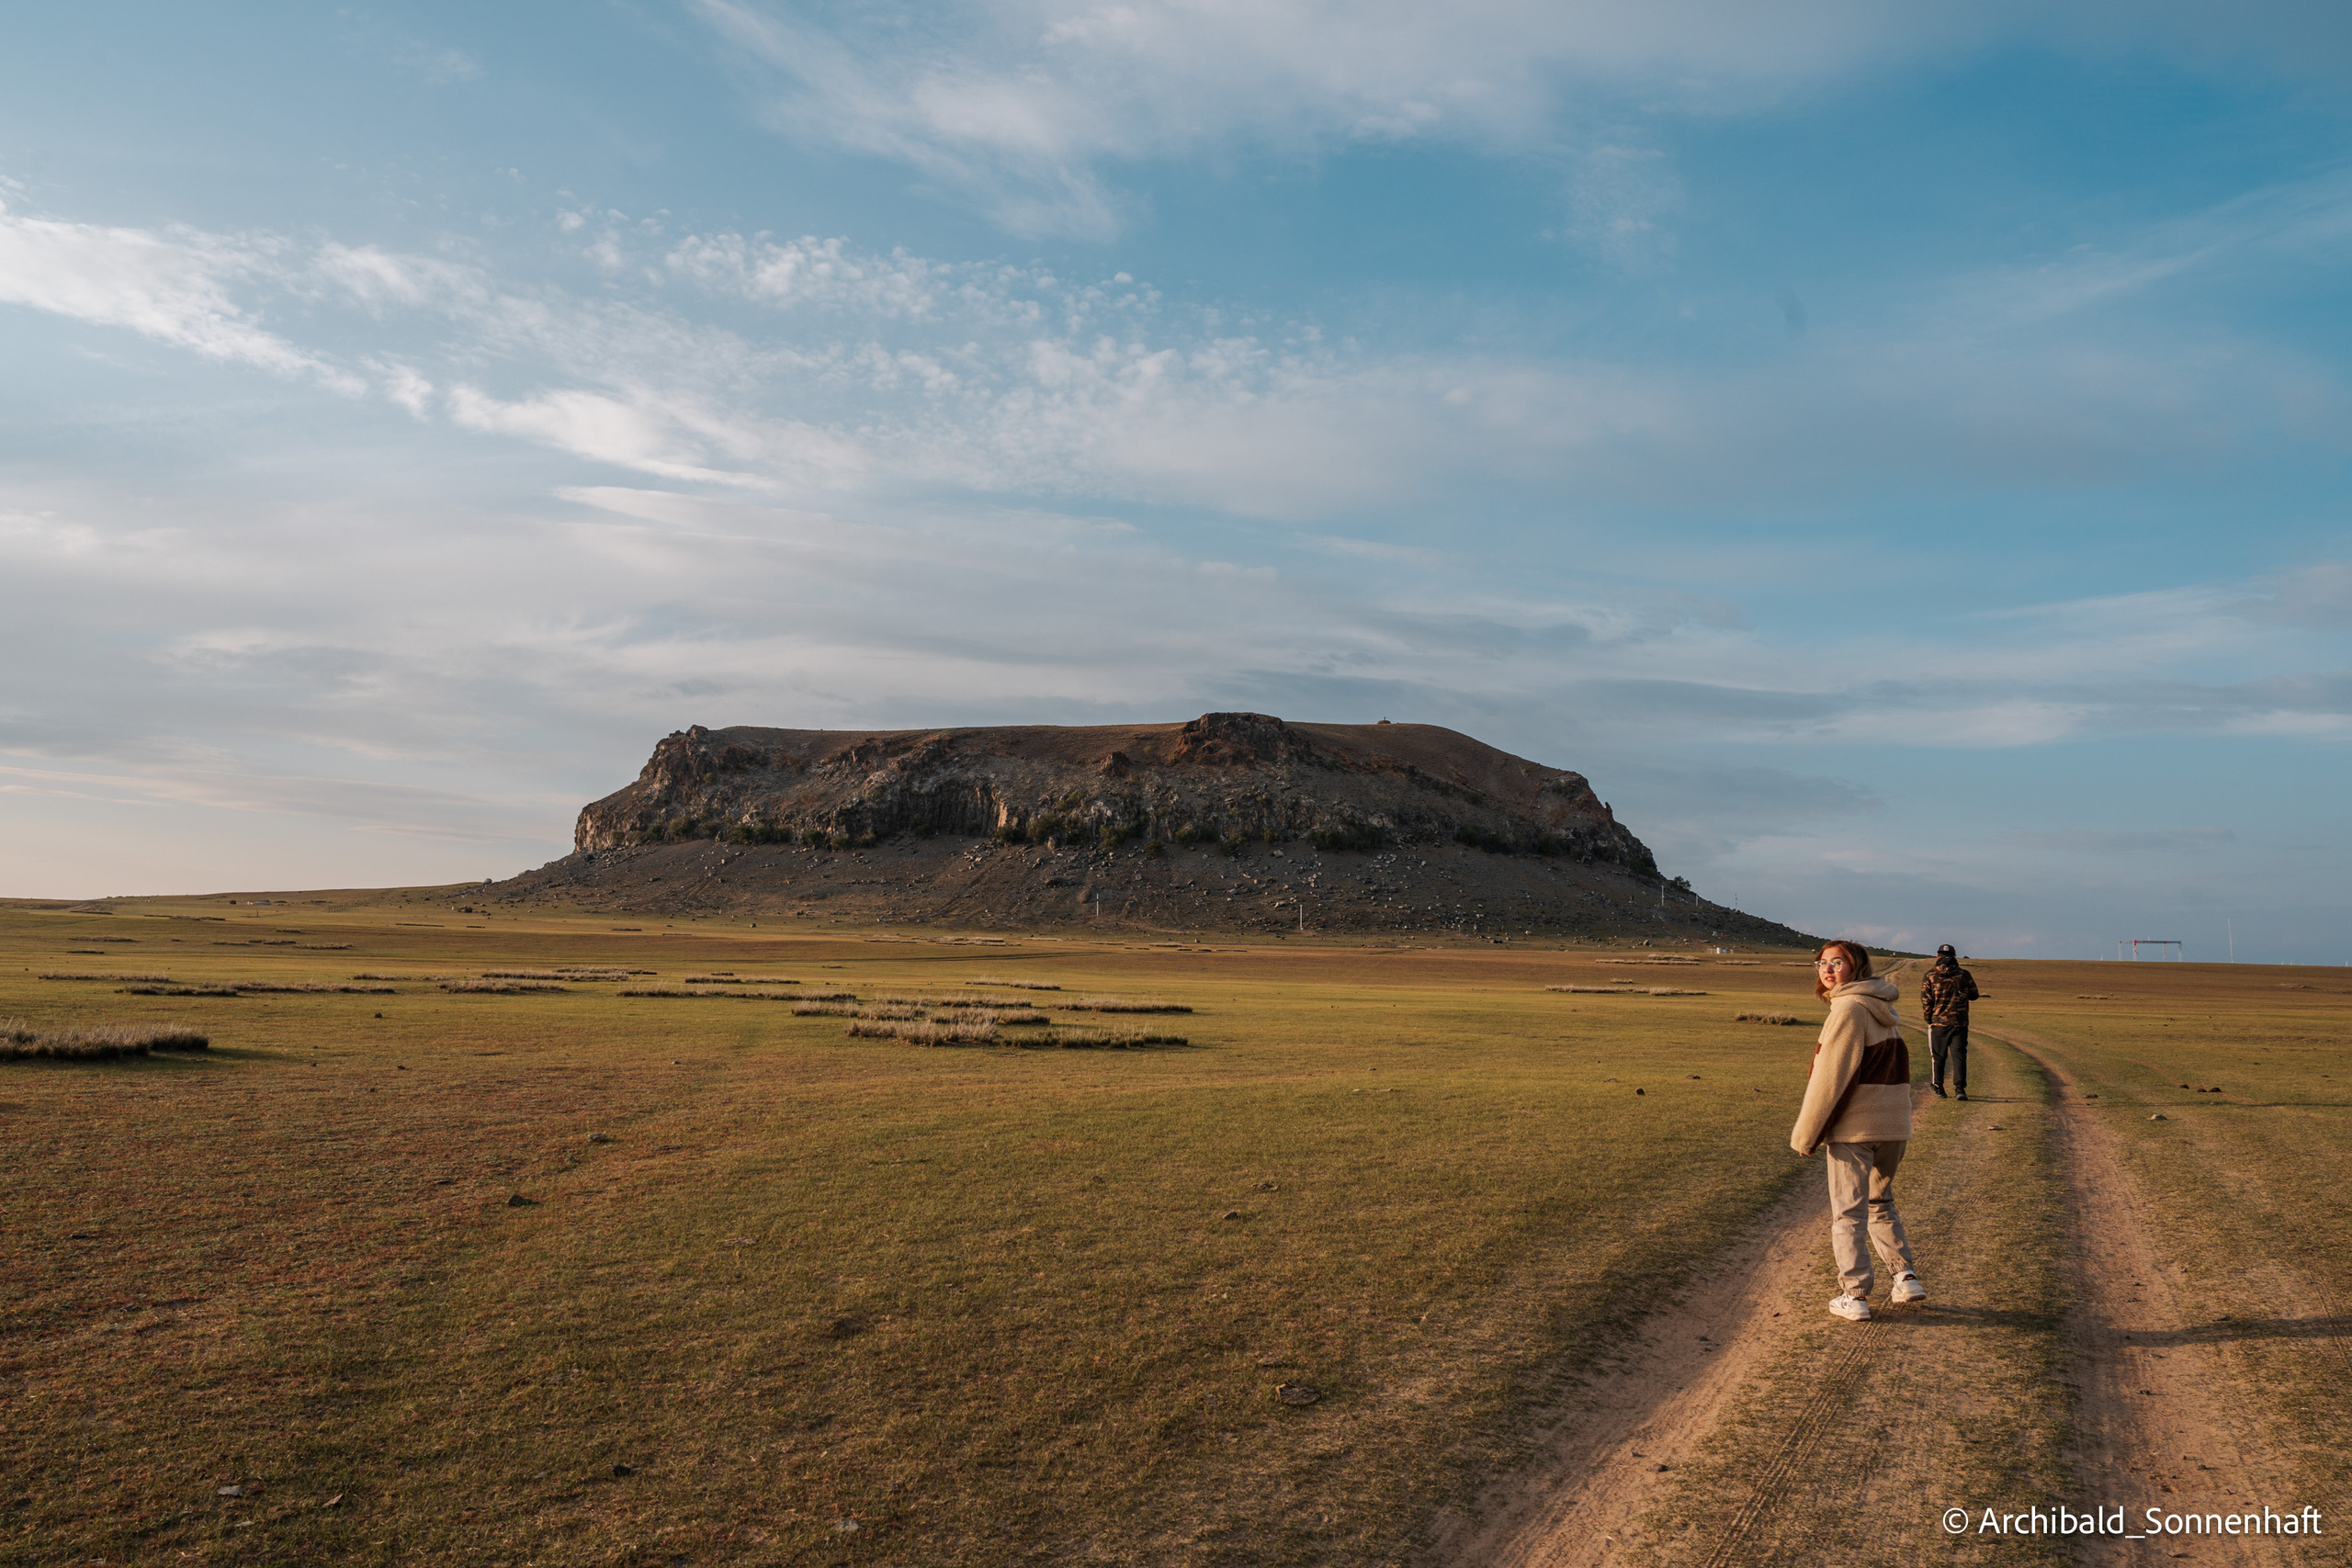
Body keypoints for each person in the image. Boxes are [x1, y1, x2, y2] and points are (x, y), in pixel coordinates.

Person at [1790, 940, 1923, 1321]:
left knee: (1847, 1213)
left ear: (1857, 968)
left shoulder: (1848, 1009)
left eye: (1838, 963)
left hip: (1856, 1130)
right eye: (1822, 963)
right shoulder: (1883, 1008)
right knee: (1880, 1203)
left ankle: (1855, 1295)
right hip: (1893, 1126)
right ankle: (1906, 1277)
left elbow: (1830, 1080)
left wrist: (1807, 1135)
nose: (1827, 970)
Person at [1918, 942, 1980, 1100]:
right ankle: (1960, 1089)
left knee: (1938, 1057)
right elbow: (1974, 995)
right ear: (1954, 956)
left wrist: (1929, 1019)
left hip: (1938, 1023)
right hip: (1959, 1023)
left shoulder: (1930, 975)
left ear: (1938, 957)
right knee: (1959, 1056)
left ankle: (1938, 1086)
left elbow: (1926, 1000)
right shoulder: (1964, 975)